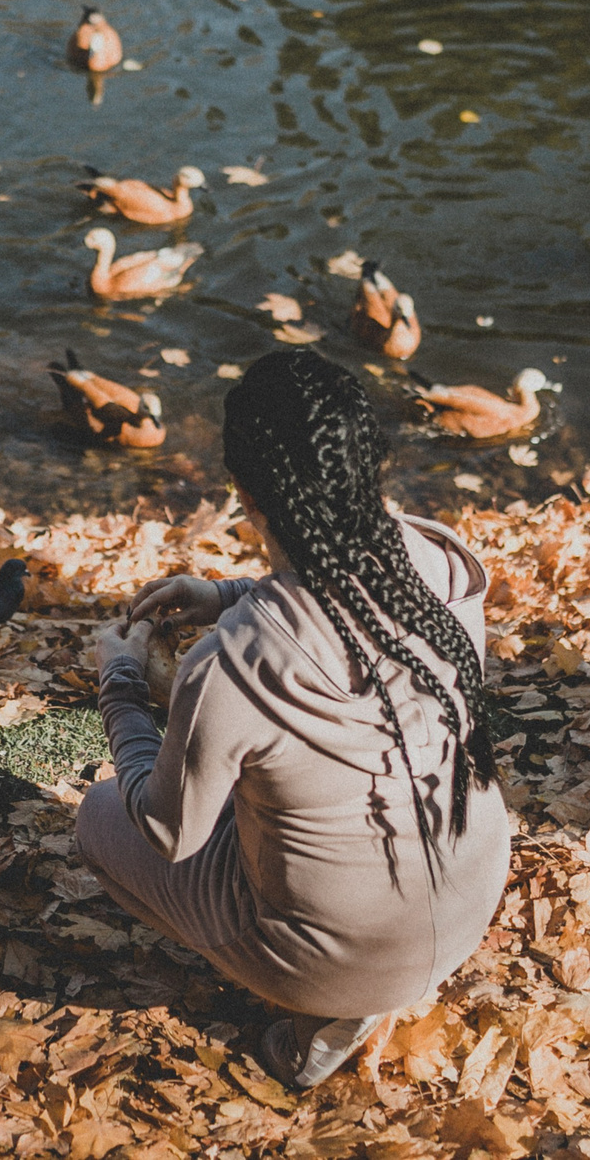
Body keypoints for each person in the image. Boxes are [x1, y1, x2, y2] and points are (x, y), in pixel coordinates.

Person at [79, 348, 514, 1089]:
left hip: (350, 959)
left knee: (98, 816)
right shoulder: (437, 558)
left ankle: (326, 1018)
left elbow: (169, 832)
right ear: (367, 463)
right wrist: (226, 591)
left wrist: (120, 680)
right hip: (474, 890)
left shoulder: (234, 662)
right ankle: (368, 980)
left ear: (244, 491)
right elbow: (343, 591)